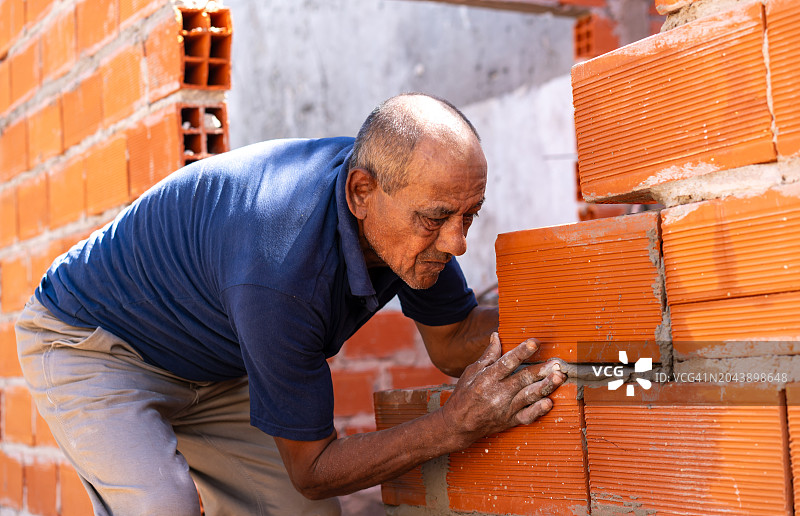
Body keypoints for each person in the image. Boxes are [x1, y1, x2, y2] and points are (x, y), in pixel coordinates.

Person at [16, 93, 565, 515]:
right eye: (437, 218)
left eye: (469, 215)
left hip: (216, 361)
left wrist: (581, 315)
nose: (457, 242)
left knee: (303, 514)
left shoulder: (411, 215)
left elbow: (452, 342)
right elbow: (313, 468)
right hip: (93, 343)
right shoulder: (282, 265)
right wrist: (453, 426)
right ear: (361, 193)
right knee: (162, 506)